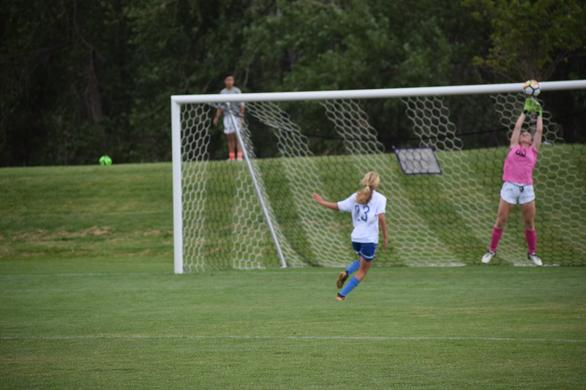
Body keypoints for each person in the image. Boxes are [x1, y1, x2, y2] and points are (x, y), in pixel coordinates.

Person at [482, 97, 544, 266]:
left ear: (530, 141)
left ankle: (532, 253)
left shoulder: (534, 150)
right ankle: (491, 251)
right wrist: (524, 112)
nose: (525, 133)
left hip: (527, 188)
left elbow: (538, 131)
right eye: (523, 133)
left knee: (529, 222)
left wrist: (538, 113)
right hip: (509, 186)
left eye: (527, 134)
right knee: (501, 219)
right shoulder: (514, 146)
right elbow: (517, 126)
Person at [312, 171, 388, 301]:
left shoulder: (356, 196)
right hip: (369, 239)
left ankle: (346, 272)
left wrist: (322, 202)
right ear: (377, 183)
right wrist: (385, 237)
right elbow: (381, 218)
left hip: (356, 238)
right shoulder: (381, 198)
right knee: (363, 271)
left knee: (361, 261)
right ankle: (341, 295)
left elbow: (338, 206)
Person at [213, 74, 245, 161]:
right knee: (229, 137)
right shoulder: (222, 92)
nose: (229, 82)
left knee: (238, 136)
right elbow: (220, 107)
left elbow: (242, 105)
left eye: (231, 80)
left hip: (237, 116)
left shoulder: (237, 91)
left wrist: (241, 117)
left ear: (233, 81)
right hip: (227, 117)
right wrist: (217, 117)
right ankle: (231, 157)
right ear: (225, 81)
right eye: (227, 80)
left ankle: (239, 156)